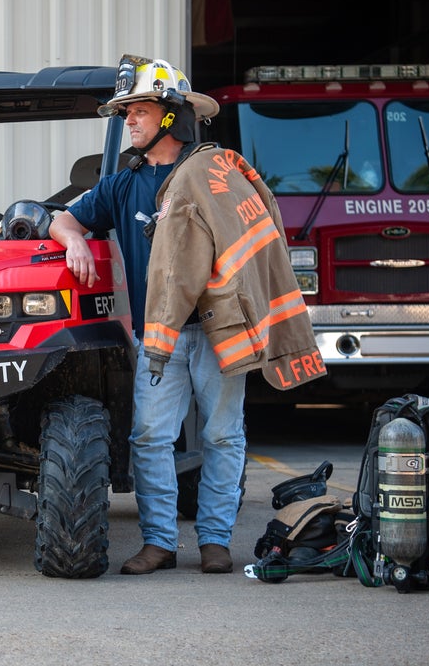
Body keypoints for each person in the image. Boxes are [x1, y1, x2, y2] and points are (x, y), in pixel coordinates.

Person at [52, 55, 321, 576]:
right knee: (150, 437)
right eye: (125, 113)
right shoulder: (121, 185)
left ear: (170, 117)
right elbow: (65, 218)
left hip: (220, 332)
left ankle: (215, 541)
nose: (127, 120)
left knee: (223, 435)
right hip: (161, 337)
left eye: (139, 111)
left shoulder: (217, 174)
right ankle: (159, 544)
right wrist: (74, 244)